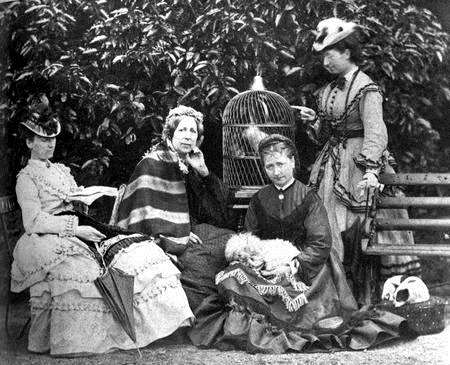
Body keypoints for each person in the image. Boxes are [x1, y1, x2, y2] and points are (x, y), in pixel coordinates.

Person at [189, 134, 411, 353]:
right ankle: (256, 322)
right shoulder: (259, 198)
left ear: (293, 162)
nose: (276, 172)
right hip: (266, 261)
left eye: (281, 164)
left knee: (303, 286)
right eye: (269, 166)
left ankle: (285, 322)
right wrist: (258, 260)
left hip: (306, 263)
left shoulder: (308, 197)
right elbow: (251, 237)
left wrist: (294, 264)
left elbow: (320, 241)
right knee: (233, 275)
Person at [11, 110, 194, 356]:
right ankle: (78, 341)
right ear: (29, 142)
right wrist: (75, 229)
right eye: (43, 139)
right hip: (46, 236)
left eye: (53, 138)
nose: (50, 144)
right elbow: (33, 221)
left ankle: (150, 328)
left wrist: (88, 197)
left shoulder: (60, 171)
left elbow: (74, 200)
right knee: (81, 272)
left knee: (143, 252)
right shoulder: (26, 178)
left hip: (78, 227)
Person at [293, 18, 421, 283]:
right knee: (328, 224)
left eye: (330, 56)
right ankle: (336, 289)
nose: (325, 63)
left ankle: (374, 288)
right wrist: (315, 120)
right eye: (323, 57)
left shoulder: (366, 88)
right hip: (332, 166)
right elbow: (327, 134)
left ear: (347, 52)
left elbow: (375, 131)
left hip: (360, 165)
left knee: (364, 226)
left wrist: (372, 170)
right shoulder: (328, 89)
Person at [117, 105, 236, 311]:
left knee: (230, 240)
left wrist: (204, 173)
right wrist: (180, 231)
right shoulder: (153, 162)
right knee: (202, 259)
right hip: (163, 236)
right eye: (182, 130)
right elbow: (145, 210)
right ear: (170, 134)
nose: (188, 136)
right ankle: (199, 309)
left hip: (193, 230)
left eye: (193, 131)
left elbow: (219, 214)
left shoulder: (191, 163)